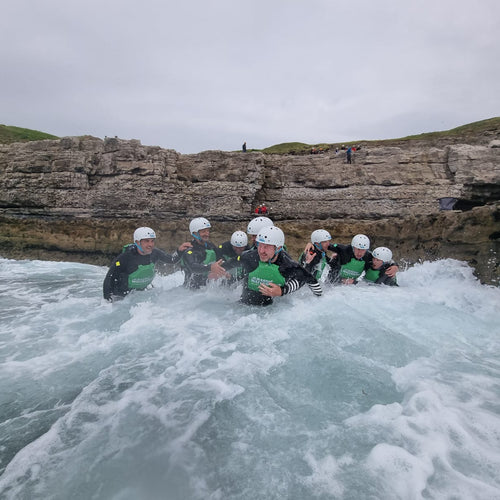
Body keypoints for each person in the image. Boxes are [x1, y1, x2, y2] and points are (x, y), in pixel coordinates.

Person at [228, 225, 323, 306]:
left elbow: (307, 279)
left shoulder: (286, 264)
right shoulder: (249, 256)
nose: (261, 251)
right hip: (244, 304)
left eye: (266, 247)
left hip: (273, 311)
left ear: (278, 248)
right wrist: (214, 268)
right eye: (259, 245)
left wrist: (283, 291)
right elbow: (232, 263)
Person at [103, 227, 191, 302]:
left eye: (152, 241)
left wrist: (179, 251)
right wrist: (108, 300)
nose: (150, 244)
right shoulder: (125, 258)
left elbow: (172, 260)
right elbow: (109, 277)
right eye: (147, 241)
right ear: (137, 242)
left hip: (139, 294)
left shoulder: (155, 253)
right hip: (121, 297)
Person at [181, 217, 228, 288]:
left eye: (208, 231)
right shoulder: (189, 250)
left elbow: (221, 259)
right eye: (203, 231)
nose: (207, 234)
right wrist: (211, 268)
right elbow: (193, 268)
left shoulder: (210, 246)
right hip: (191, 291)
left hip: (206, 289)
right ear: (195, 233)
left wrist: (224, 271)